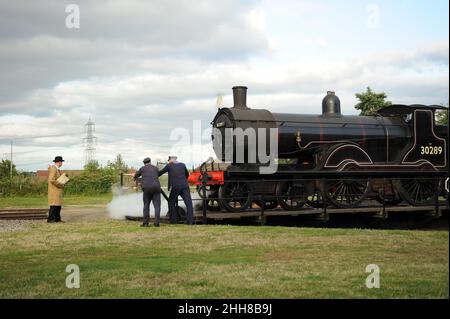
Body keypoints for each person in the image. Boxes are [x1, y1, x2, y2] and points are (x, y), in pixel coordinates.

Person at [159, 156, 194, 225]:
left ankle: (173, 221)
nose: (168, 162)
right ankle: (190, 221)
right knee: (189, 203)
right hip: (185, 186)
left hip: (175, 186)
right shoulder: (183, 165)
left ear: (171, 160)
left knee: (171, 202)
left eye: (169, 160)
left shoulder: (169, 165)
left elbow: (160, 173)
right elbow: (187, 175)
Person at [134, 157, 161, 227]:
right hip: (156, 187)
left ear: (144, 163)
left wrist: (134, 177)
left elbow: (136, 175)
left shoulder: (142, 168)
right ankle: (157, 223)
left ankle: (145, 223)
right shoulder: (155, 168)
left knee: (146, 205)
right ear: (150, 162)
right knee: (157, 206)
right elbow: (158, 174)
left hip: (147, 188)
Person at [47, 156, 65, 223]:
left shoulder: (55, 169)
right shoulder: (54, 169)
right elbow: (51, 179)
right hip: (54, 190)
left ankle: (57, 219)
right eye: (61, 162)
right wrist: (60, 184)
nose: (62, 164)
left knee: (58, 205)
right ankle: (51, 219)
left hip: (57, 191)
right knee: (54, 206)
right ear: (59, 162)